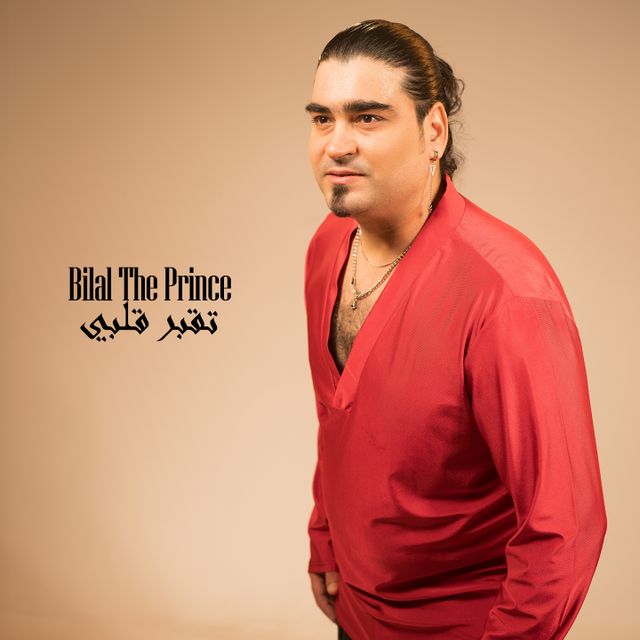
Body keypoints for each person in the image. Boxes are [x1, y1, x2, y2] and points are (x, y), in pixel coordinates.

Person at [302, 18, 607, 640]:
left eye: (367, 118)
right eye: (322, 118)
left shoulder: (507, 293)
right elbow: (339, 421)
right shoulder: (328, 246)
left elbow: (565, 526)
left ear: (433, 130)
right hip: (356, 615)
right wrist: (324, 535)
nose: (336, 144)